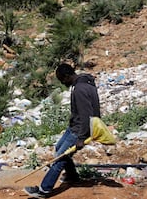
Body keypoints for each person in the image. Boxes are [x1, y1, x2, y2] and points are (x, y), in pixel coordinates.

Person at [24, 63, 101, 198]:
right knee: (60, 148)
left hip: (79, 130)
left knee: (60, 158)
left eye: (61, 80)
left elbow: (86, 114)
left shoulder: (79, 89)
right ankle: (72, 176)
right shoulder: (84, 83)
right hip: (75, 126)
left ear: (66, 77)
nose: (62, 83)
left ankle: (44, 190)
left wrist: (82, 138)